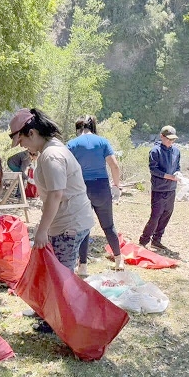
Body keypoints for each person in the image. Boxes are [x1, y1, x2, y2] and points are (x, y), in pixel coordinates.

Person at [8, 108, 93, 272]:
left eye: (21, 141)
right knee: (59, 273)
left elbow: (56, 194)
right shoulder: (50, 150)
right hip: (69, 219)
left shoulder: (51, 155)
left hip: (69, 223)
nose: (22, 146)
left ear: (31, 133)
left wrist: (42, 230)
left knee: (61, 276)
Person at [67, 115, 124, 275]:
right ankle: (119, 259)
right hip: (101, 186)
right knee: (108, 225)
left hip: (81, 188)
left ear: (79, 128)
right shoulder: (103, 141)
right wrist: (116, 186)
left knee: (84, 227)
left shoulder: (72, 144)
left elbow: (65, 168)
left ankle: (83, 266)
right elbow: (114, 166)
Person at [139, 125, 181, 250]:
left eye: (173, 139)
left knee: (167, 214)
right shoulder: (155, 151)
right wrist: (168, 176)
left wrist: (178, 174)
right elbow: (153, 170)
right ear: (162, 137)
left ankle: (157, 240)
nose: (171, 142)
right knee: (155, 216)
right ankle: (143, 241)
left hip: (171, 189)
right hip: (159, 189)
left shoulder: (176, 151)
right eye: (168, 139)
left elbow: (177, 166)